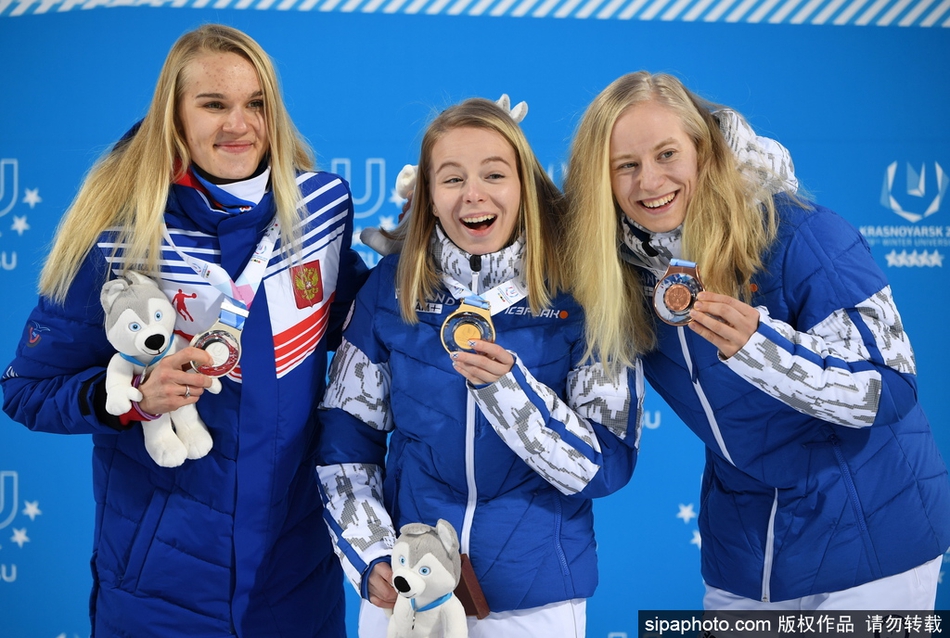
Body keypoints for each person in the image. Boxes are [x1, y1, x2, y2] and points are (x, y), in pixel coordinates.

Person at [1, 24, 366, 636]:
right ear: (174, 114)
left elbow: (360, 324)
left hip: (297, 579)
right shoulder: (119, 232)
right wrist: (132, 400)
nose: (239, 125)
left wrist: (428, 242)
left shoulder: (320, 211)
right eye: (214, 104)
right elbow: (25, 390)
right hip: (160, 589)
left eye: (256, 103)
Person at [562, 70, 950, 610]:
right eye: (625, 165)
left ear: (703, 150)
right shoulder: (622, 273)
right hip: (747, 548)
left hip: (870, 532)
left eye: (667, 154)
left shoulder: (798, 234)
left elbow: (890, 386)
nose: (649, 181)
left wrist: (761, 349)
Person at [315, 97, 642, 637]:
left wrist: (509, 392)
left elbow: (604, 466)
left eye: (494, 174)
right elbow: (344, 441)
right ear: (429, 197)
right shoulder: (391, 288)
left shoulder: (584, 291)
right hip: (408, 594)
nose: (473, 194)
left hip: (535, 599)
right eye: (452, 178)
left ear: (524, 186)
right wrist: (370, 554)